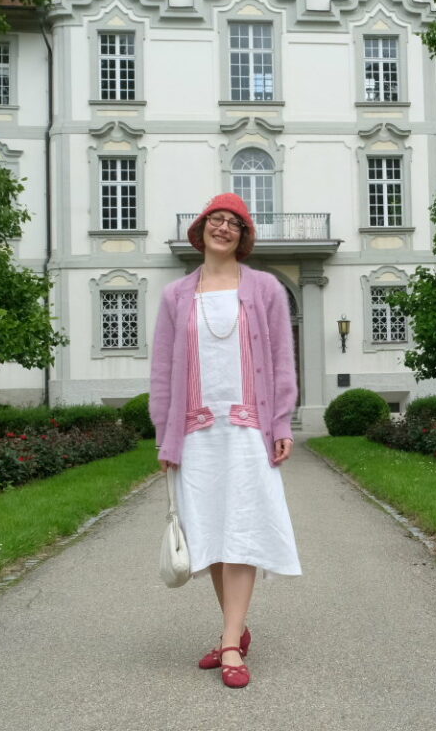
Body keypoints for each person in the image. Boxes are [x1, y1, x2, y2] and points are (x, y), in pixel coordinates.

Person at [149, 192, 301, 689]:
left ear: (243, 235)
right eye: (215, 220)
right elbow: (162, 371)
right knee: (212, 535)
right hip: (195, 432)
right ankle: (235, 628)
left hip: (247, 430)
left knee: (242, 530)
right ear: (200, 230)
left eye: (233, 223)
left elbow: (281, 362)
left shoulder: (266, 289)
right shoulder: (176, 296)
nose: (223, 228)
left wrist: (281, 422)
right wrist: (164, 436)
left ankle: (231, 642)